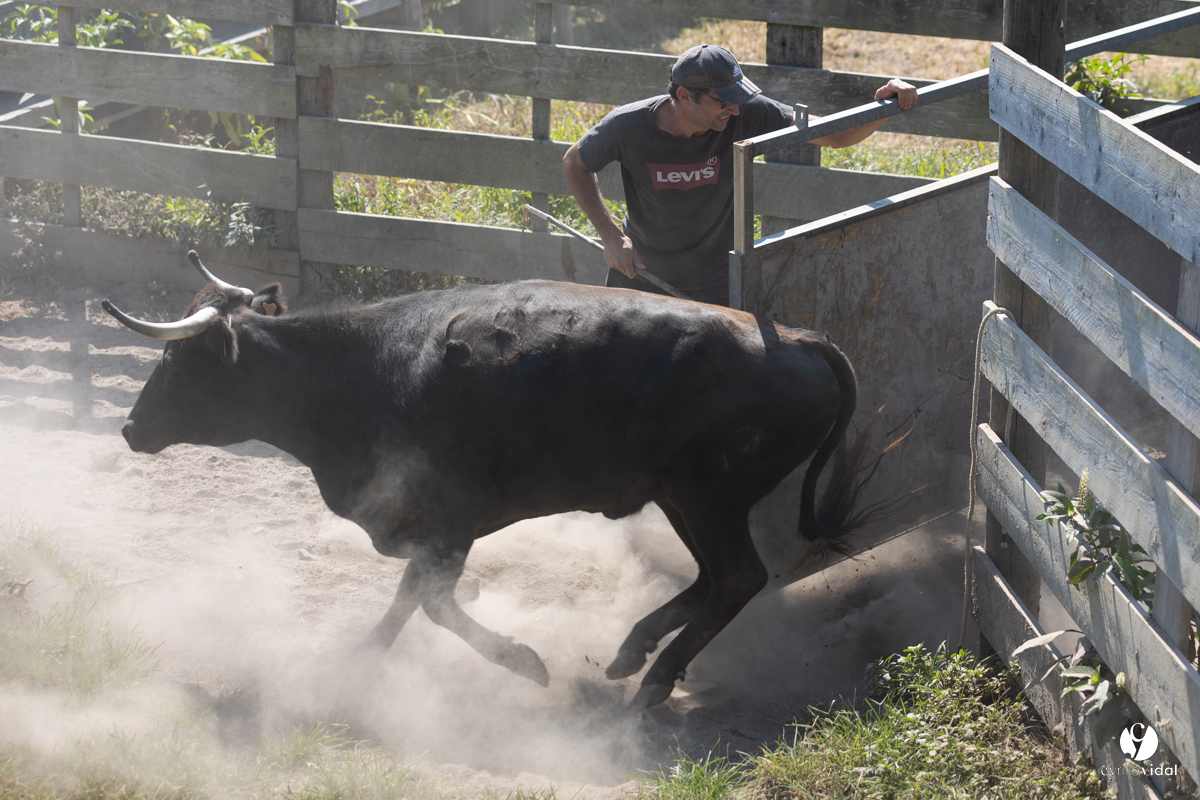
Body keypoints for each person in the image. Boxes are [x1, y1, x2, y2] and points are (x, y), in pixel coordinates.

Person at [562, 43, 918, 306]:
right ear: (685, 96)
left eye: (738, 97)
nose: (733, 109)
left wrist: (882, 106)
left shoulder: (743, 114)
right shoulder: (627, 126)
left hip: (718, 279)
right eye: (723, 100)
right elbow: (574, 163)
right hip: (642, 274)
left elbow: (835, 136)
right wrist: (610, 237)